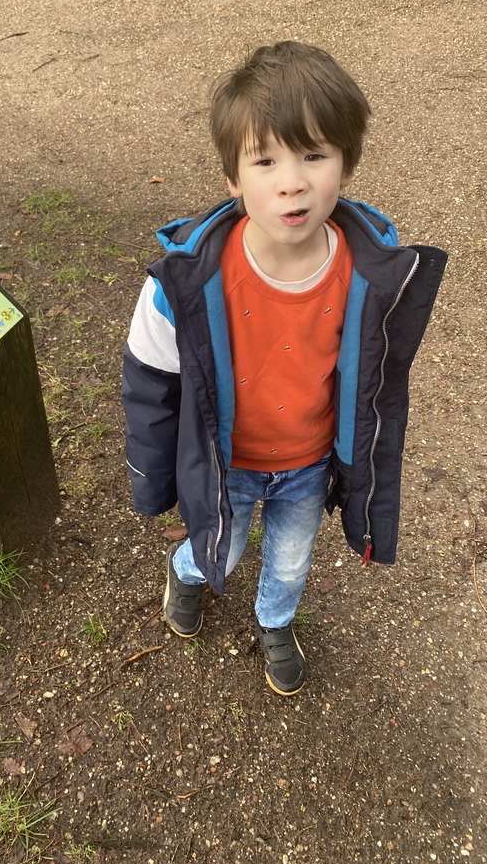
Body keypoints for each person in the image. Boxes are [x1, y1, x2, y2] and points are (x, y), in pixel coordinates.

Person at [121, 41, 447, 696]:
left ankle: (275, 619)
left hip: (307, 465)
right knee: (226, 546)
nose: (291, 181)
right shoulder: (185, 282)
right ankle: (186, 572)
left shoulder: (372, 277)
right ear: (233, 178)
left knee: (292, 560)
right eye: (264, 160)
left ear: (346, 166)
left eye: (314, 155)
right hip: (228, 465)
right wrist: (152, 476)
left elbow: (374, 386)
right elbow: (149, 383)